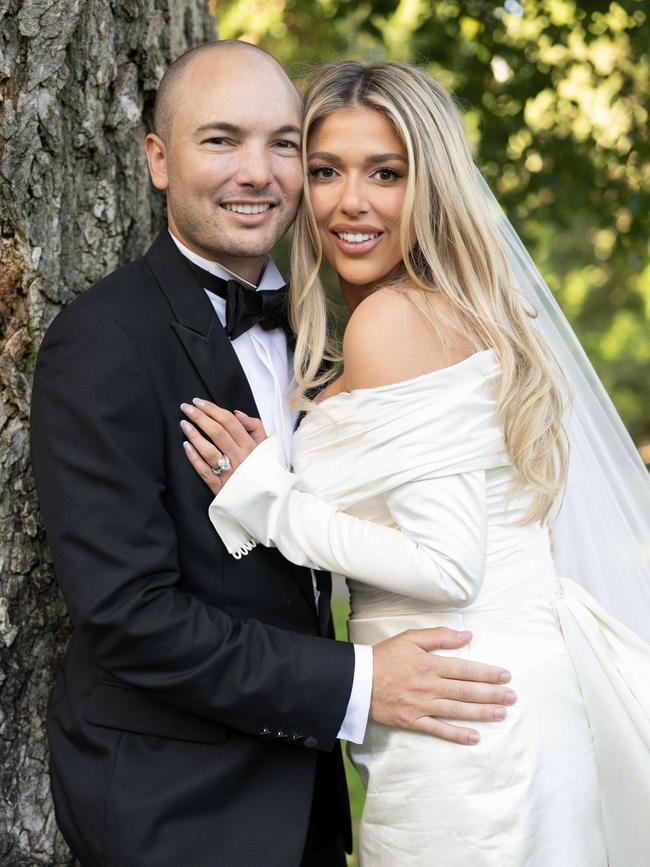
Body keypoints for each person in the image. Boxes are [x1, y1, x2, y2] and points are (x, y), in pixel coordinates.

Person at [30, 44, 516, 867]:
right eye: (220, 141)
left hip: (309, 795)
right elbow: (129, 615)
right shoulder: (102, 341)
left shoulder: (318, 332)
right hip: (173, 804)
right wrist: (360, 684)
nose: (257, 173)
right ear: (158, 158)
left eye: (283, 145)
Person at [184, 61, 650, 866]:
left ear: (430, 185)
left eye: (386, 173)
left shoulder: (392, 319)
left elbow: (445, 563)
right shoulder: (453, 310)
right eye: (325, 170)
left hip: (463, 719)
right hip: (501, 694)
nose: (348, 202)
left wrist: (269, 498)